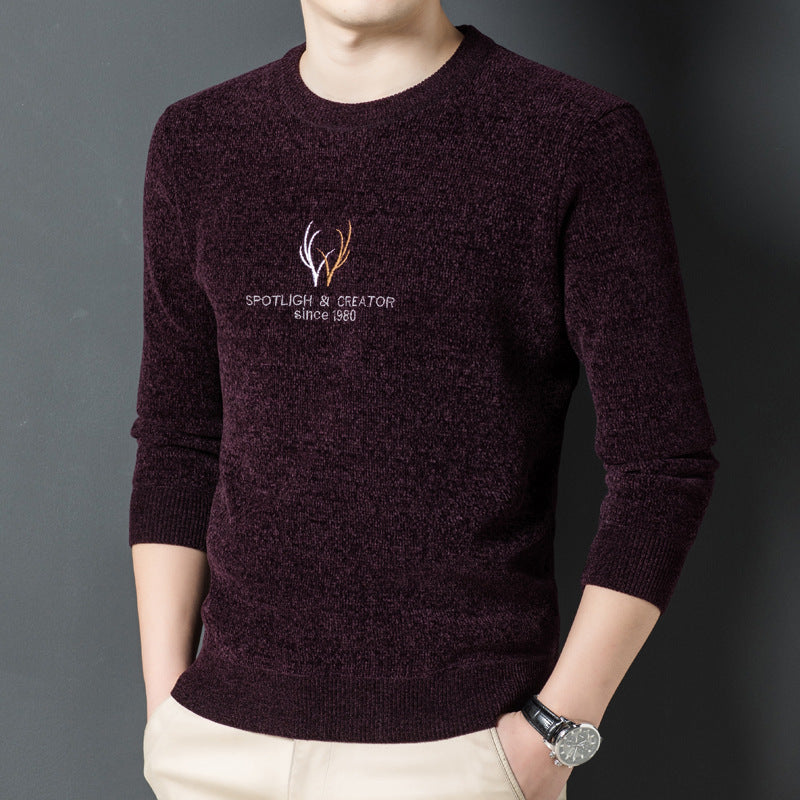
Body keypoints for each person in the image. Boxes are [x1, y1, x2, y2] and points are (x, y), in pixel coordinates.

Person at [128, 1, 720, 799]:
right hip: (216, 747)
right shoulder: (197, 140)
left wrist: (552, 736)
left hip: (457, 756)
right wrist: (166, 709)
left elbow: (663, 466)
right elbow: (178, 439)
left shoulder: (574, 137)